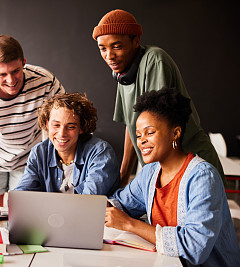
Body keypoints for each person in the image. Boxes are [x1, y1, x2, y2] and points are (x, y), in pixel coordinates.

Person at [105, 88, 240, 266]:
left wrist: (130, 224)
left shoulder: (203, 178)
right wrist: (101, 207)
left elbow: (194, 248)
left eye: (150, 132)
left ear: (175, 133)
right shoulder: (150, 172)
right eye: (138, 135)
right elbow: (121, 204)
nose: (141, 141)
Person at [92, 9, 224, 186]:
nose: (109, 56)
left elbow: (157, 125)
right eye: (103, 48)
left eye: (117, 46)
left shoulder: (155, 60)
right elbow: (131, 127)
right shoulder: (123, 74)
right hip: (163, 171)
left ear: (136, 41)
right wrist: (123, 176)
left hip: (192, 166)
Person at [0, 35, 65, 195]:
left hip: (29, 160)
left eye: (16, 71)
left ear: (24, 62)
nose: (11, 80)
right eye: (2, 74)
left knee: (20, 212)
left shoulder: (45, 82)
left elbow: (64, 117)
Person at [15, 93, 120, 195]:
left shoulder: (100, 152)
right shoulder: (39, 152)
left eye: (71, 127)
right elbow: (21, 195)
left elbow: (89, 203)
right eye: (56, 125)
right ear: (47, 124)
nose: (62, 134)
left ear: (82, 127)